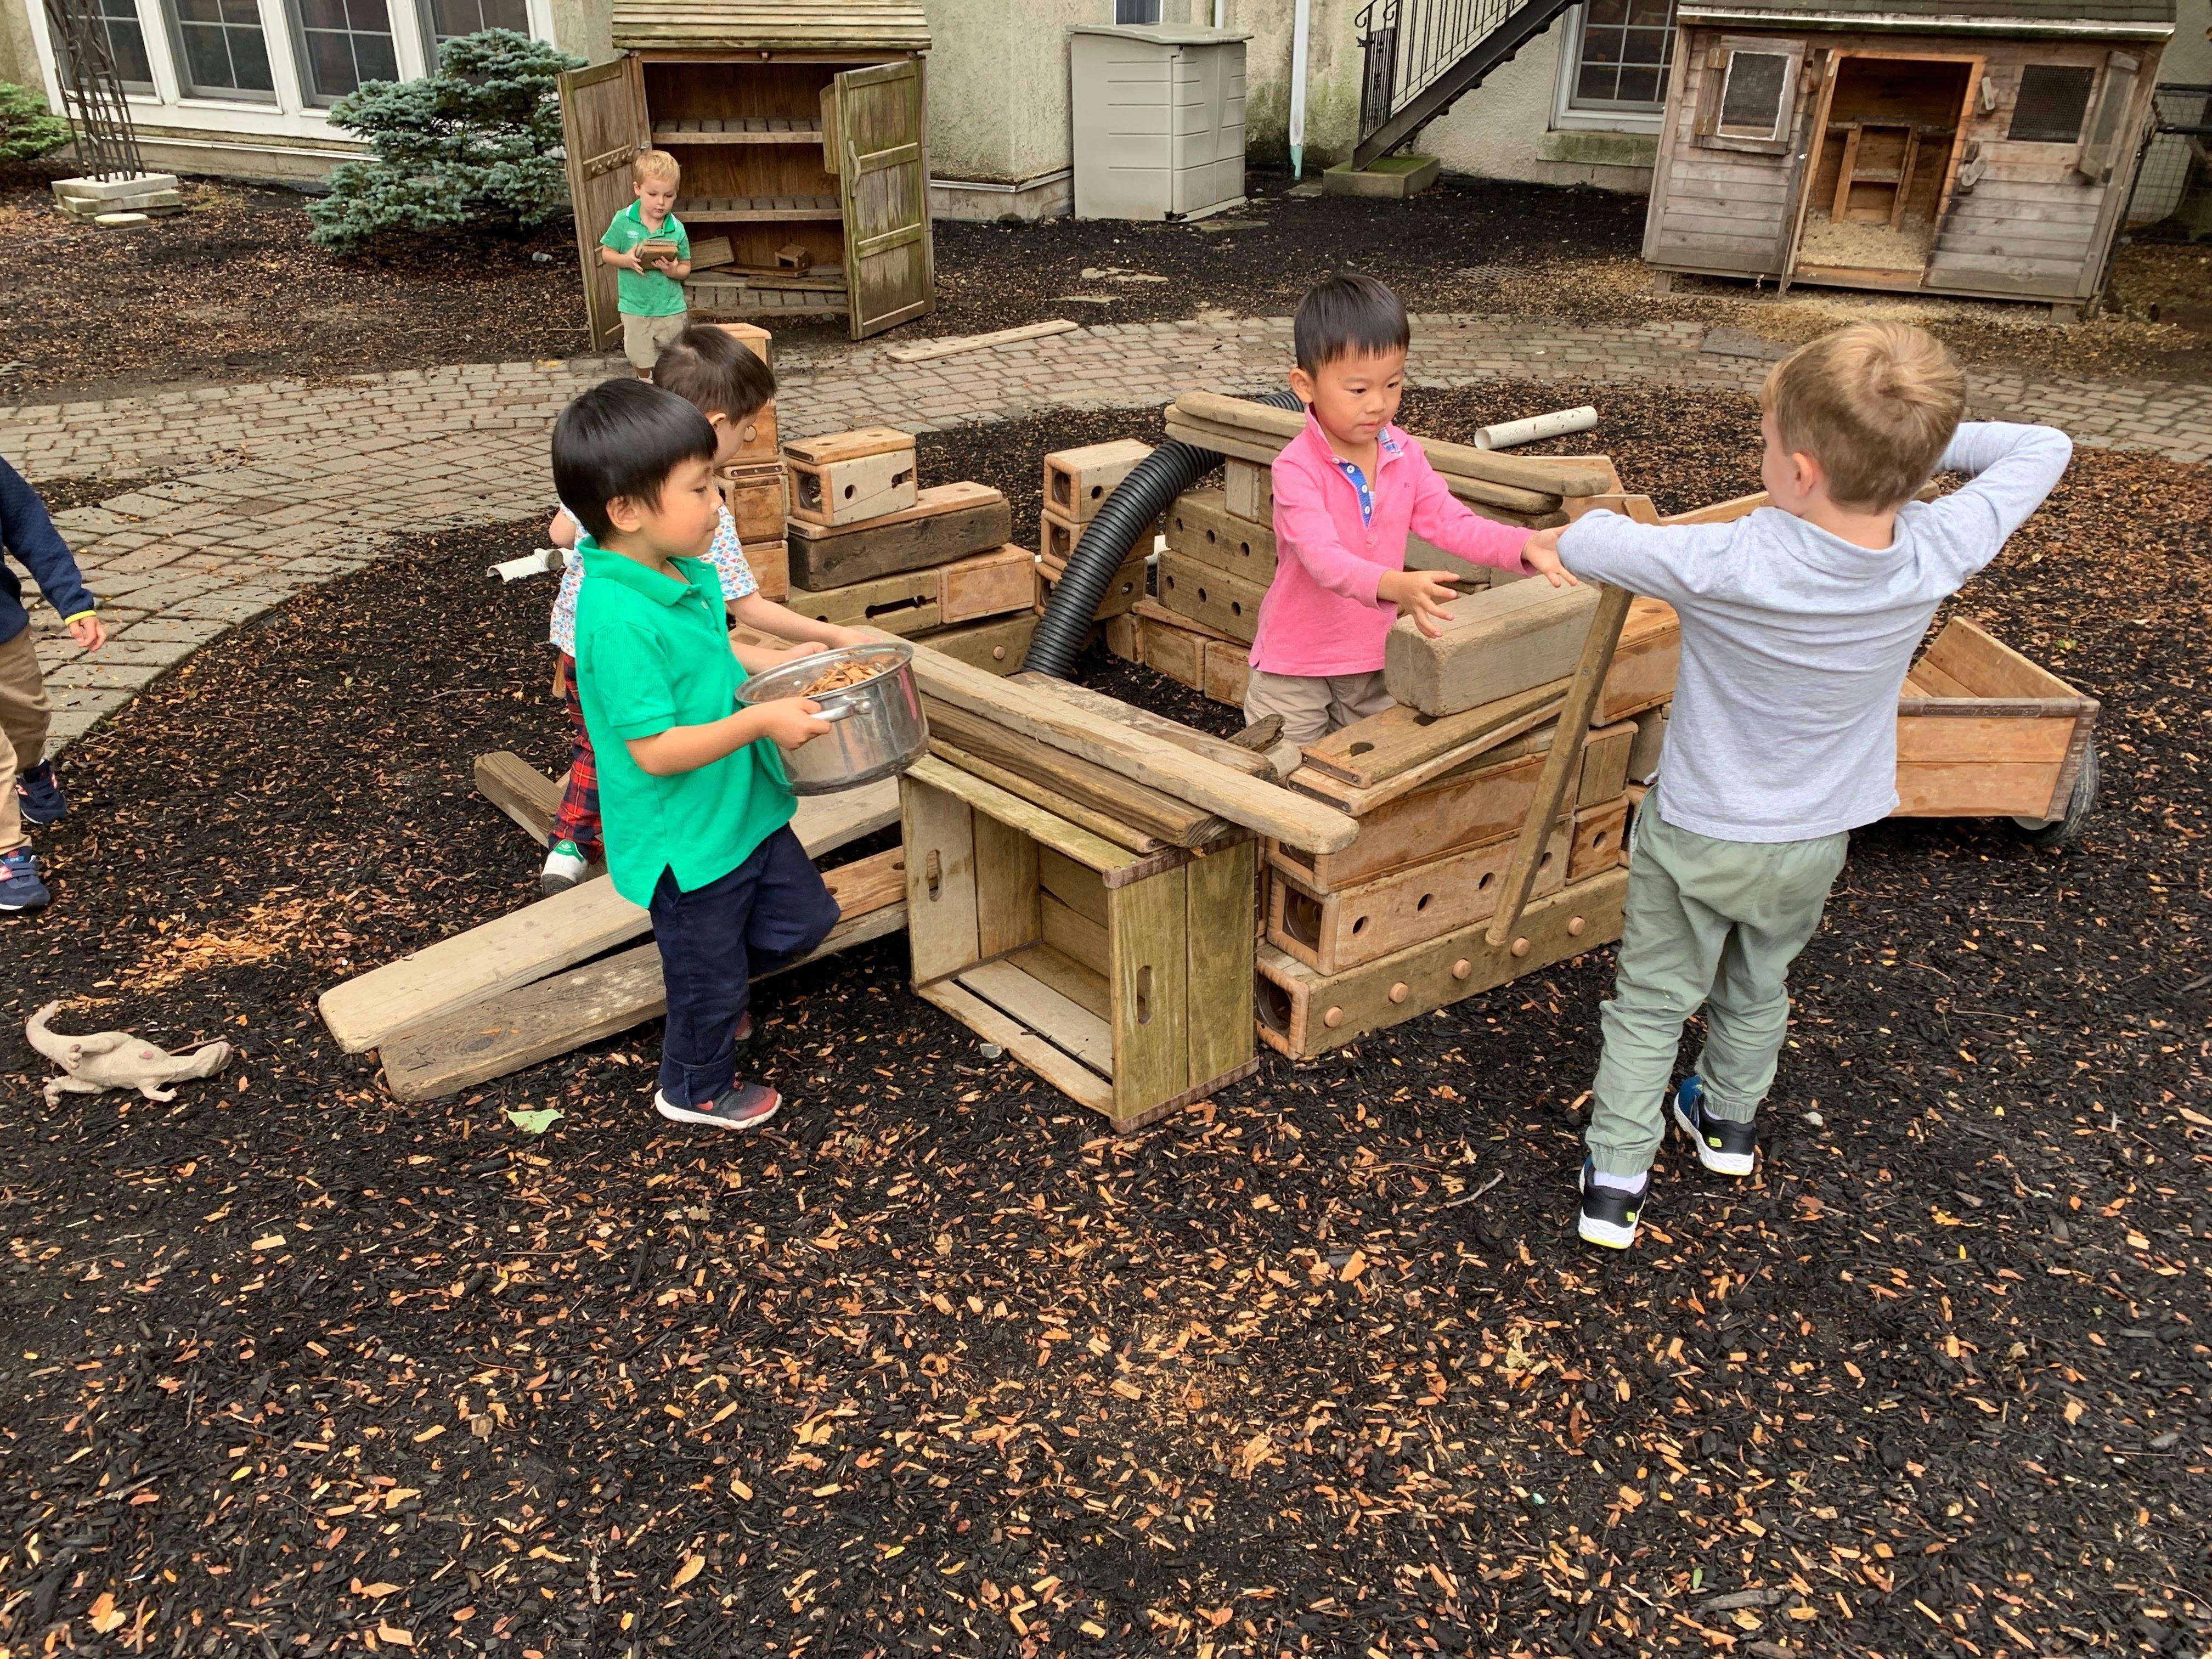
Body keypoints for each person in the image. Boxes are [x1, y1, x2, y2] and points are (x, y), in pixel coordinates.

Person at [1522, 323, 2073, 1249]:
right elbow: (2042, 444)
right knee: (1759, 979)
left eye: (1769, 443)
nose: (1762, 455)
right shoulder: (1937, 545)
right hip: (1816, 834)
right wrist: (1918, 451)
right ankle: (1727, 1124)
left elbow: (1596, 540)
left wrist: (1568, 536)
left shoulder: (1729, 560)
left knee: (1654, 997)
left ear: (1803, 471)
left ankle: (1615, 1175)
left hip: (1698, 829)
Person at [552, 378, 839, 1131]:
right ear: (626, 511)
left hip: (739, 810)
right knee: (706, 986)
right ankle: (694, 1087)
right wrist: (765, 721)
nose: (720, 503)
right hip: (686, 843)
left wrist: (793, 656)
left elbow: (719, 651)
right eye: (701, 488)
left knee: (804, 922)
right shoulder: (616, 618)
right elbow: (655, 751)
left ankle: (713, 982)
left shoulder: (680, 574)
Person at [539, 325, 868, 894]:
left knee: (598, 743)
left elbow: (561, 531)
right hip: (619, 652)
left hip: (576, 637)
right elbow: (748, 609)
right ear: (718, 427)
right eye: (747, 430)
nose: (717, 498)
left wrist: (783, 660)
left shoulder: (630, 468)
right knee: (615, 745)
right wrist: (828, 642)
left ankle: (576, 840)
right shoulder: (685, 536)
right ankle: (577, 842)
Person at [1248, 273, 1573, 776]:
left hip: (1375, 659)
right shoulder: (1296, 468)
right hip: (1295, 664)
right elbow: (1322, 558)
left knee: (1366, 779)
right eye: (1357, 388)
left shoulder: (1405, 454)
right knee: (1281, 777)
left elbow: (1451, 522)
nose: (1378, 403)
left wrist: (1524, 544)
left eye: (1393, 384)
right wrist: (1393, 585)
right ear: (1304, 386)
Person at [1, 454, 106, 915]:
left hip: (2, 632)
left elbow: (30, 528)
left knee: (30, 716)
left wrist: (73, 602)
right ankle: (9, 854)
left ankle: (32, 771)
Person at [600, 149, 692, 380]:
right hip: (635, 308)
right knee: (640, 356)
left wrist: (673, 270)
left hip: (670, 308)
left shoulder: (677, 228)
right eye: (653, 194)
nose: (660, 203)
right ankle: (646, 387)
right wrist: (626, 260)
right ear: (637, 189)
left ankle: (671, 396)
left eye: (668, 196)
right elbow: (606, 254)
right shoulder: (624, 220)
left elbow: (686, 268)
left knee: (678, 358)